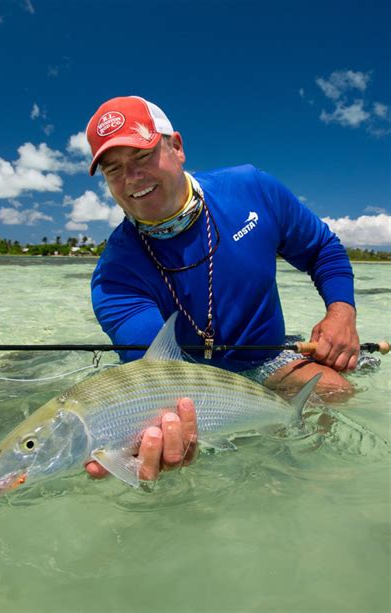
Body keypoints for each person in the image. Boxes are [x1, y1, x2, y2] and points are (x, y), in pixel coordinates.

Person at [83, 95, 360, 481]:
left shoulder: (252, 190)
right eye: (114, 170)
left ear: (176, 147)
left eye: (142, 156)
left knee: (338, 392)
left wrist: (341, 313)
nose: (132, 179)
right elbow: (160, 376)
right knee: (169, 459)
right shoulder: (114, 277)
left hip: (264, 358)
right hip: (189, 383)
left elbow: (322, 250)